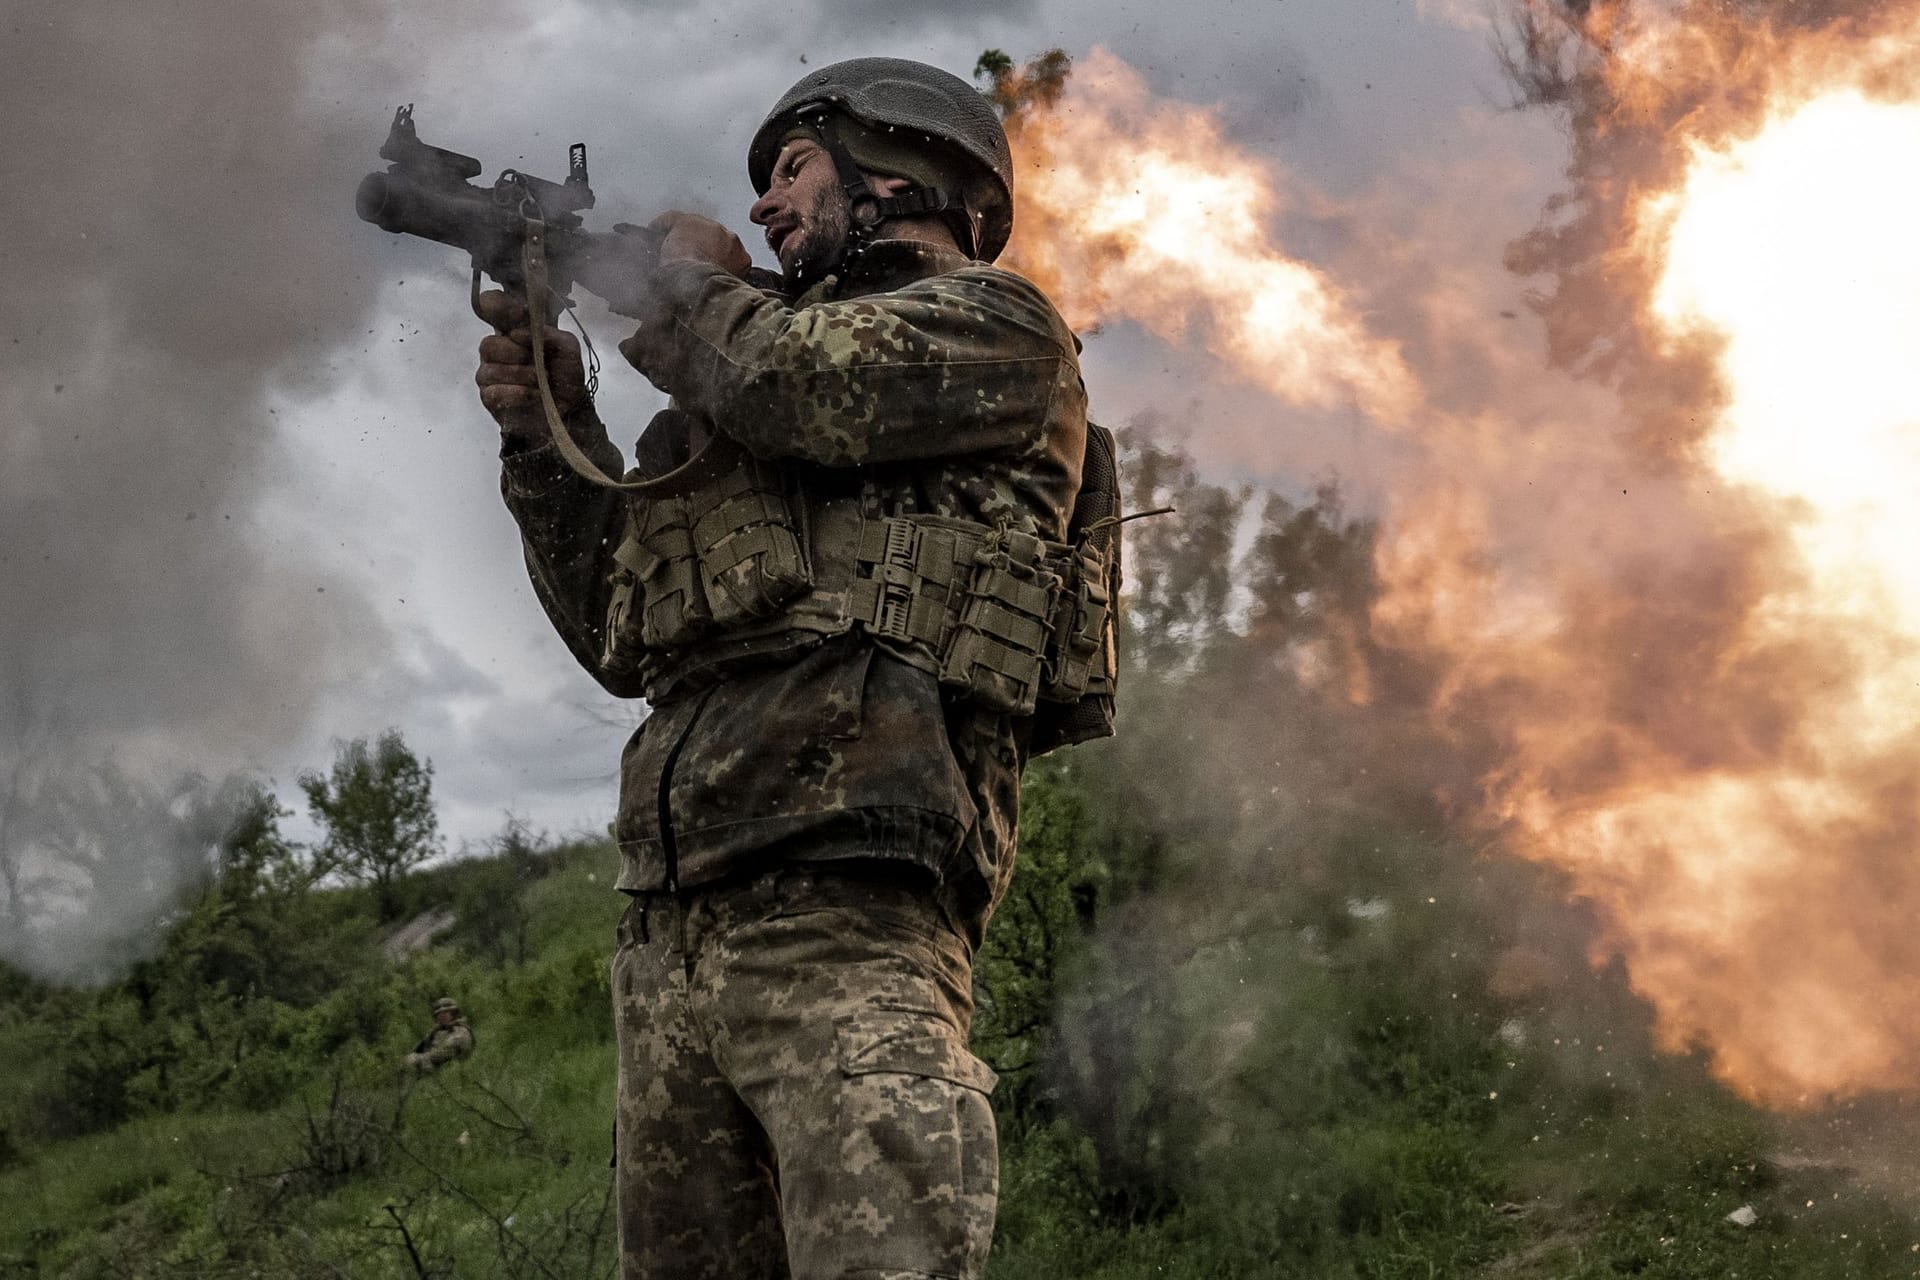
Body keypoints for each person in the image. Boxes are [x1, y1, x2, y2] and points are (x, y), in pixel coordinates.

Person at [474, 57, 1097, 1279]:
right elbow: (618, 630)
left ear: (904, 173)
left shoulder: (995, 328)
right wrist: (548, 436)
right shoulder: (722, 395)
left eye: (794, 168)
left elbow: (796, 384)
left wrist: (684, 287)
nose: (764, 203)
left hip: (849, 907)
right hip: (669, 929)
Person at [405, 996, 474, 1073]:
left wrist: (417, 1058)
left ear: (453, 1013)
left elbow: (444, 1053)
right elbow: (421, 1048)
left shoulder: (461, 1031)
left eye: (445, 1012)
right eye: (439, 1014)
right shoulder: (437, 1031)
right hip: (436, 1068)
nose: (442, 1016)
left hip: (452, 1071)